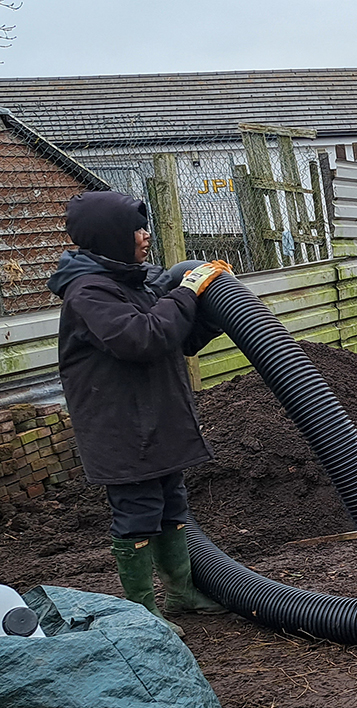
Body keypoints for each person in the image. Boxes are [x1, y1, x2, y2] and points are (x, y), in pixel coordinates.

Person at [48, 191, 235, 637]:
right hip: (120, 427)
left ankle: (181, 593)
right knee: (136, 513)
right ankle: (143, 614)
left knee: (172, 505)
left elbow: (177, 339)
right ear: (111, 236)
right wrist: (187, 291)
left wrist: (210, 306)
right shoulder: (88, 291)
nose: (145, 234)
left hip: (157, 418)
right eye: (136, 227)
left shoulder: (135, 281)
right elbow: (142, 339)